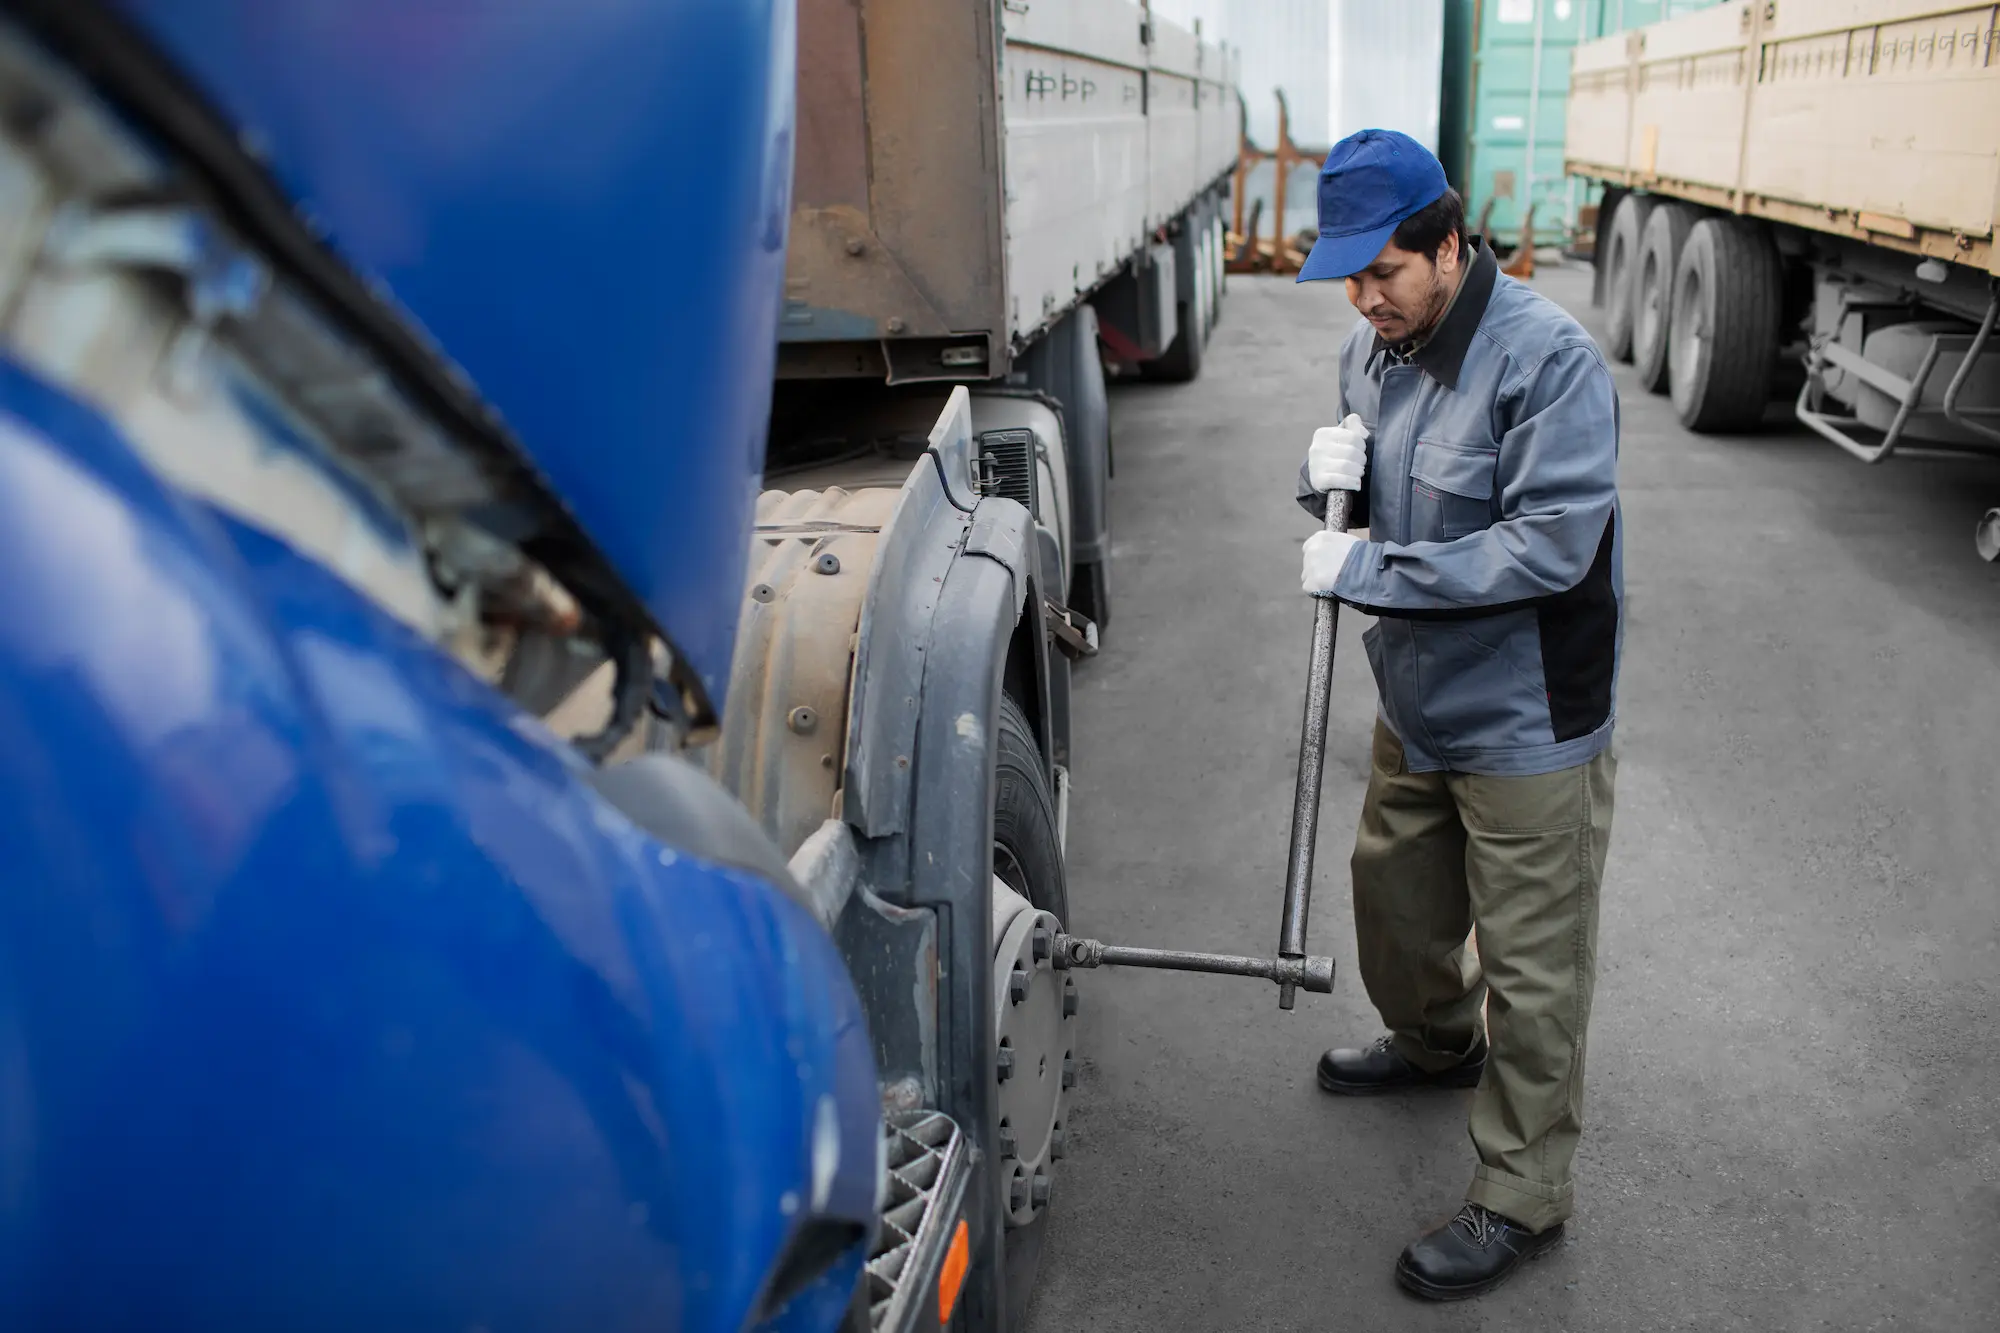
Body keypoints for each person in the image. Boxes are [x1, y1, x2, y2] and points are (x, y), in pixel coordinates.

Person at [1292, 128, 1622, 1301]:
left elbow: (1546, 547)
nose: (1359, 296)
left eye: (1381, 270)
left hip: (1526, 713)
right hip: (1416, 696)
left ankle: (1522, 1196)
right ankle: (1436, 1042)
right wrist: (1325, 480)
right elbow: (1366, 500)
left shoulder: (1548, 362)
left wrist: (1362, 569)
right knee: (1393, 901)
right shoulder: (1370, 351)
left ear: (1445, 244)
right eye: (1346, 273)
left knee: (1534, 970)